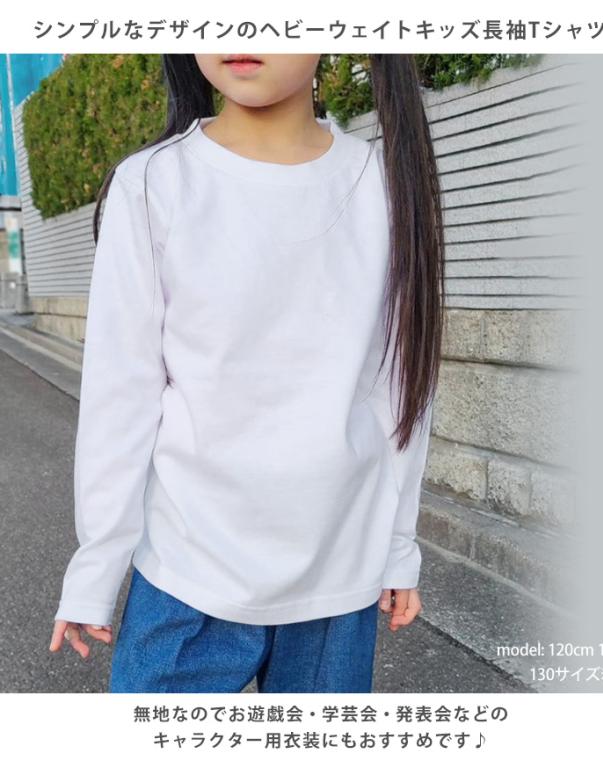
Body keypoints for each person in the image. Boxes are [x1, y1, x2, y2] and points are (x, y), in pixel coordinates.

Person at [48, 53, 445, 693]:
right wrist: (96, 565)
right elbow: (121, 394)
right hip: (186, 567)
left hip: (338, 571)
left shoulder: (383, 183)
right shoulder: (152, 182)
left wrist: (399, 545)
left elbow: (400, 387)